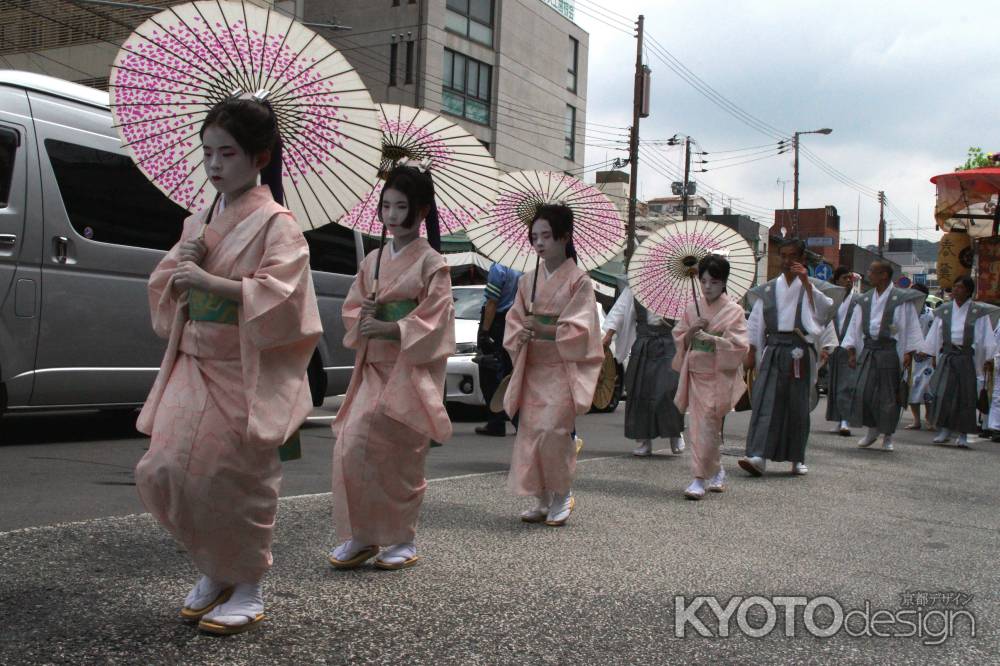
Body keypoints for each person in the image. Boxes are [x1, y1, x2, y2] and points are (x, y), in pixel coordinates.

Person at [134, 96, 322, 634]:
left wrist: (209, 281)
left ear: (260, 157)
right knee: (164, 468)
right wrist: (181, 267)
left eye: (228, 153)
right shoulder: (200, 219)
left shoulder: (278, 225)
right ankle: (216, 567)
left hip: (244, 368)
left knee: (232, 477)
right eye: (208, 153)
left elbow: (284, 300)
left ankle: (246, 584)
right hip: (194, 360)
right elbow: (166, 287)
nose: (215, 165)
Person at [328, 165, 455, 570]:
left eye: (402, 206)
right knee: (352, 446)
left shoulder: (433, 263)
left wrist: (391, 326)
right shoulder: (373, 261)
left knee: (399, 456)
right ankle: (362, 535)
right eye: (386, 206)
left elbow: (436, 319)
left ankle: (402, 537)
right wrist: (363, 313)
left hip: (409, 371)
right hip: (372, 369)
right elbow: (352, 308)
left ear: (421, 211)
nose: (393, 215)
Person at [503, 204, 603, 526]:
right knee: (530, 433)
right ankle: (542, 499)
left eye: (547, 235)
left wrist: (546, 329)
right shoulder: (526, 282)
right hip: (533, 365)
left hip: (562, 367)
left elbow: (582, 328)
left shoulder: (580, 282)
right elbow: (514, 320)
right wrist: (522, 332)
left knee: (554, 432)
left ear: (565, 236)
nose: (540, 243)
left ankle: (562, 494)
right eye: (534, 237)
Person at [738, 239, 841, 477]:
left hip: (798, 350)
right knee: (766, 402)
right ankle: (759, 456)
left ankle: (797, 457)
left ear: (802, 259)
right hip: (774, 348)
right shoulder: (768, 290)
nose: (786, 261)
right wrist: (752, 350)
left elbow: (824, 313)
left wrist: (806, 283)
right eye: (783, 256)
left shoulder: (812, 287)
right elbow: (756, 324)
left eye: (792, 256)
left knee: (797, 405)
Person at [672, 255, 749, 500]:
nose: (707, 287)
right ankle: (709, 473)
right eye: (704, 281)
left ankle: (701, 477)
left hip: (717, 375)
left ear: (724, 282)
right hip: (695, 372)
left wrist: (714, 339)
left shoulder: (734, 311)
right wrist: (692, 331)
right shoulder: (692, 308)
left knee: (708, 425)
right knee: (699, 426)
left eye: (714, 282)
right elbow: (679, 336)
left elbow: (739, 346)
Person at [843, 261, 924, 452]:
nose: (869, 274)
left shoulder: (901, 299)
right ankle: (872, 429)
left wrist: (908, 352)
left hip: (890, 351)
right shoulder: (864, 300)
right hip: (869, 350)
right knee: (864, 392)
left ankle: (887, 435)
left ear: (884, 275)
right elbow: (855, 326)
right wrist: (852, 350)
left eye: (872, 272)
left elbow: (910, 326)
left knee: (888, 396)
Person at [602, 282, 686, 457]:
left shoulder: (678, 287)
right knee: (639, 390)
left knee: (669, 389)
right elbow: (619, 311)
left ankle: (674, 432)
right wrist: (609, 334)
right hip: (644, 342)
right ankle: (643, 440)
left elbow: (688, 316)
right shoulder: (636, 286)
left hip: (669, 343)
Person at [921, 276, 998, 448]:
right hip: (948, 355)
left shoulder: (978, 312)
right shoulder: (945, 310)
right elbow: (936, 334)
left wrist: (987, 358)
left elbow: (986, 336)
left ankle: (963, 434)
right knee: (943, 394)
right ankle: (944, 430)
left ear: (968, 291)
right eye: (954, 287)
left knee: (966, 396)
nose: (955, 290)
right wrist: (933, 355)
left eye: (960, 287)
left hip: (967, 357)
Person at [476, 262, 522, 436]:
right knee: (510, 373)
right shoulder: (524, 270)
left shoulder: (499, 268)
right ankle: (519, 421)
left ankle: (495, 422)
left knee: (489, 373)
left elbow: (492, 302)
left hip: (496, 323)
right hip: (515, 323)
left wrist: (485, 332)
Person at [823, 267, 858, 436]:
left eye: (850, 278)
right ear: (836, 280)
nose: (848, 281)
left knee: (847, 385)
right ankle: (838, 419)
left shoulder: (857, 301)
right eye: (845, 278)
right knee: (834, 383)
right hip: (834, 346)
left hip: (849, 347)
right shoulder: (831, 300)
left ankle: (846, 420)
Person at [905, 283, 936, 430]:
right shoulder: (906, 312)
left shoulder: (931, 314)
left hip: (927, 356)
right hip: (910, 356)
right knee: (912, 388)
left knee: (927, 388)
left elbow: (934, 335)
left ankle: (929, 418)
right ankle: (916, 419)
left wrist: (929, 350)